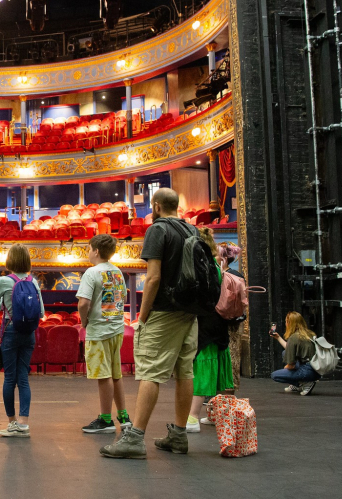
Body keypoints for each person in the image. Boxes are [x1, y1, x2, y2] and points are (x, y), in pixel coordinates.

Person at [101, 187, 198, 460]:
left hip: (164, 312)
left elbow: (153, 278)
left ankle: (135, 438)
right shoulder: (192, 230)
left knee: (149, 371)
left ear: (155, 205)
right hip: (189, 313)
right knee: (184, 371)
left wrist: (142, 318)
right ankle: (179, 435)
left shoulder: (158, 229)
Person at [77, 234, 131, 434]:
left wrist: (84, 321)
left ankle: (106, 419)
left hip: (99, 329)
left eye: (89, 249)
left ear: (96, 251)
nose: (88, 252)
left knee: (104, 375)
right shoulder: (117, 272)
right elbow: (122, 297)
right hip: (116, 328)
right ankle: (123, 417)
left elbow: (84, 302)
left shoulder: (91, 273)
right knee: (116, 374)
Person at [0, 244, 44, 438]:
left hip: (11, 331)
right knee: (23, 377)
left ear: (10, 260)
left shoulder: (4, 281)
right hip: (29, 332)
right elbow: (42, 312)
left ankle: (12, 422)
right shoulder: (34, 281)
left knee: (9, 378)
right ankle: (24, 423)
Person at [186, 228, 234, 433]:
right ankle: (221, 415)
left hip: (206, 324)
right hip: (219, 323)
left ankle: (192, 417)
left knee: (203, 371)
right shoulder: (215, 265)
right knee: (220, 370)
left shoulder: (203, 266)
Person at [219, 242, 246, 395]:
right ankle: (230, 390)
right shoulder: (238, 275)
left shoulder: (220, 275)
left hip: (219, 321)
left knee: (221, 355)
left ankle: (218, 393)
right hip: (235, 321)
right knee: (233, 354)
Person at [270, 311, 320, 395]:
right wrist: (278, 338)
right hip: (316, 368)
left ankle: (303, 383)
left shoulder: (294, 338)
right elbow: (289, 348)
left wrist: (286, 367)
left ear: (290, 323)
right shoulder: (309, 334)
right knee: (284, 352)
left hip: (307, 371)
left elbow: (291, 365)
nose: (285, 324)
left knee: (275, 375)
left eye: (286, 321)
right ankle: (299, 383)